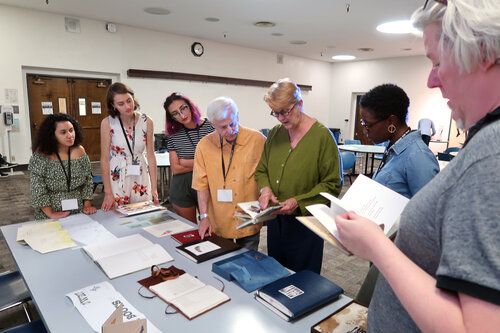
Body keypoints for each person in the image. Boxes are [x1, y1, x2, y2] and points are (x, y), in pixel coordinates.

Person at [335, 0, 500, 332]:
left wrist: (377, 245)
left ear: (482, 53)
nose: (431, 80)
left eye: (437, 62)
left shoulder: (490, 154)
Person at [255, 78, 342, 274]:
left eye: (285, 111)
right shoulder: (276, 134)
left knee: (303, 281)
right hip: (276, 222)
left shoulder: (322, 137)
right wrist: (265, 189)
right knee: (277, 274)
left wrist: (298, 201)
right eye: (275, 113)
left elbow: (333, 183)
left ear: (300, 104)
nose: (280, 118)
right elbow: (262, 170)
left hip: (306, 223)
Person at [193, 96, 265, 250]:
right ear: (213, 125)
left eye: (232, 123)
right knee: (220, 266)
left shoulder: (258, 140)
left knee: (248, 266)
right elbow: (201, 186)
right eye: (223, 127)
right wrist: (204, 217)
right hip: (219, 221)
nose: (230, 130)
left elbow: (268, 176)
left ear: (237, 115)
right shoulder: (204, 146)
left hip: (249, 219)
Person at [360, 84, 439, 199]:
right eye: (363, 124)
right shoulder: (394, 148)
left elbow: (430, 211)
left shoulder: (418, 157)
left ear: (391, 121)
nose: (364, 131)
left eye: (368, 125)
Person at [100, 82, 158, 210]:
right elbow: (104, 160)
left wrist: (154, 188)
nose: (127, 106)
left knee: (143, 211)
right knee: (119, 215)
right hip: (118, 173)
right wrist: (108, 193)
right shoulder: (108, 123)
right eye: (121, 104)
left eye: (129, 101)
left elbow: (151, 155)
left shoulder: (146, 121)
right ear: (113, 105)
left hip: (141, 171)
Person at [28, 113, 96, 220]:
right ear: (52, 135)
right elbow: (37, 189)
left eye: (71, 130)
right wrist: (51, 214)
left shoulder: (80, 151)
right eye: (63, 132)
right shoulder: (42, 155)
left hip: (78, 211)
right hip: (50, 213)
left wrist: (87, 205)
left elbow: (88, 181)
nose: (70, 135)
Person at [164, 93, 214, 222]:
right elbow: (175, 168)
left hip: (210, 186)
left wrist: (185, 162)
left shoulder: (211, 127)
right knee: (190, 232)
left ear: (190, 106)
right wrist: (204, 164)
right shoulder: (173, 135)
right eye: (175, 113)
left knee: (214, 232)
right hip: (183, 188)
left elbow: (217, 161)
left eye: (183, 108)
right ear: (172, 117)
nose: (181, 115)